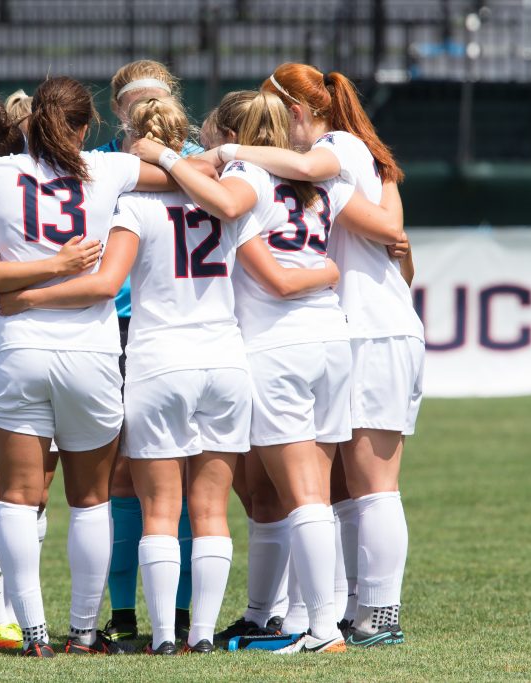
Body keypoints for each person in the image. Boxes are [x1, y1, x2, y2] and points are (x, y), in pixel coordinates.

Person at [0, 95, 339, 655]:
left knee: (159, 509)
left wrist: (25, 296)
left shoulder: (131, 205)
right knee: (209, 512)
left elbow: (107, 283)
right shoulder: (234, 202)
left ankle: (159, 638)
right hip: (224, 360)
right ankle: (200, 636)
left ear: (136, 142)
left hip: (159, 361)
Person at [0, 75, 215, 658]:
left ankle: (35, 634)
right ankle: (84, 632)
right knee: (91, 499)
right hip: (91, 353)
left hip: (19, 347)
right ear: (83, 126)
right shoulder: (105, 168)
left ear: (30, 124)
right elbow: (179, 182)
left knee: (19, 496)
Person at [132, 89, 403, 655]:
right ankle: (304, 619)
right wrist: (326, 270)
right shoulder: (324, 181)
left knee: (303, 495)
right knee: (316, 493)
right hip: (331, 341)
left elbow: (228, 209)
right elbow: (388, 232)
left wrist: (164, 156)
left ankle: (322, 630)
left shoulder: (248, 179)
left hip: (275, 345)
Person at [218, 63, 424, 646]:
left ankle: (378, 615)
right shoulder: (350, 163)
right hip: (362, 328)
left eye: (277, 115)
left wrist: (234, 150)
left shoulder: (335, 148)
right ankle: (347, 612)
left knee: (373, 484)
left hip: (368, 330)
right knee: (341, 489)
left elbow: (366, 211)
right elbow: (394, 237)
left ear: (301, 112)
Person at [93, 57, 203, 647]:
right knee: (122, 476)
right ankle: (125, 614)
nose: (142, 110)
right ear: (117, 109)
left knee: (180, 476)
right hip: (121, 325)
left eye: (152, 100)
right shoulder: (106, 164)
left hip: (181, 329)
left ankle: (183, 616)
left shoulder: (202, 161)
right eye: (132, 103)